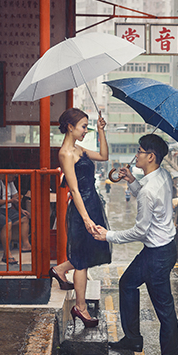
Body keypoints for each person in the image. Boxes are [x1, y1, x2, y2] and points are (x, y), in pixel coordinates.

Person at [93, 134, 178, 355]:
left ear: (151, 156)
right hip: (161, 248)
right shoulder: (161, 175)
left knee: (164, 309)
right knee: (127, 284)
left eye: (140, 151)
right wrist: (131, 181)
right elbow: (145, 194)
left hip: (157, 255)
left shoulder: (149, 190)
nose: (136, 155)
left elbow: (140, 231)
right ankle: (132, 338)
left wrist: (108, 235)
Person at [49, 108, 112, 329]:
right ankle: (80, 308)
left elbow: (104, 157)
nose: (86, 130)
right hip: (80, 209)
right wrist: (86, 219)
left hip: (91, 202)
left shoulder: (79, 149)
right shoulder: (66, 153)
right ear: (70, 127)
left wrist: (102, 131)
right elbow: (73, 190)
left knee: (87, 253)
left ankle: (58, 270)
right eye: (83, 126)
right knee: (82, 261)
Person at [0, 168, 31, 265]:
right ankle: (6, 254)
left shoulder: (9, 181)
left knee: (24, 218)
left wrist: (20, 209)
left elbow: (15, 195)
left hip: (5, 209)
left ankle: (26, 245)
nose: (14, 179)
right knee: (6, 222)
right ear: (7, 174)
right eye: (14, 176)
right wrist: (11, 201)